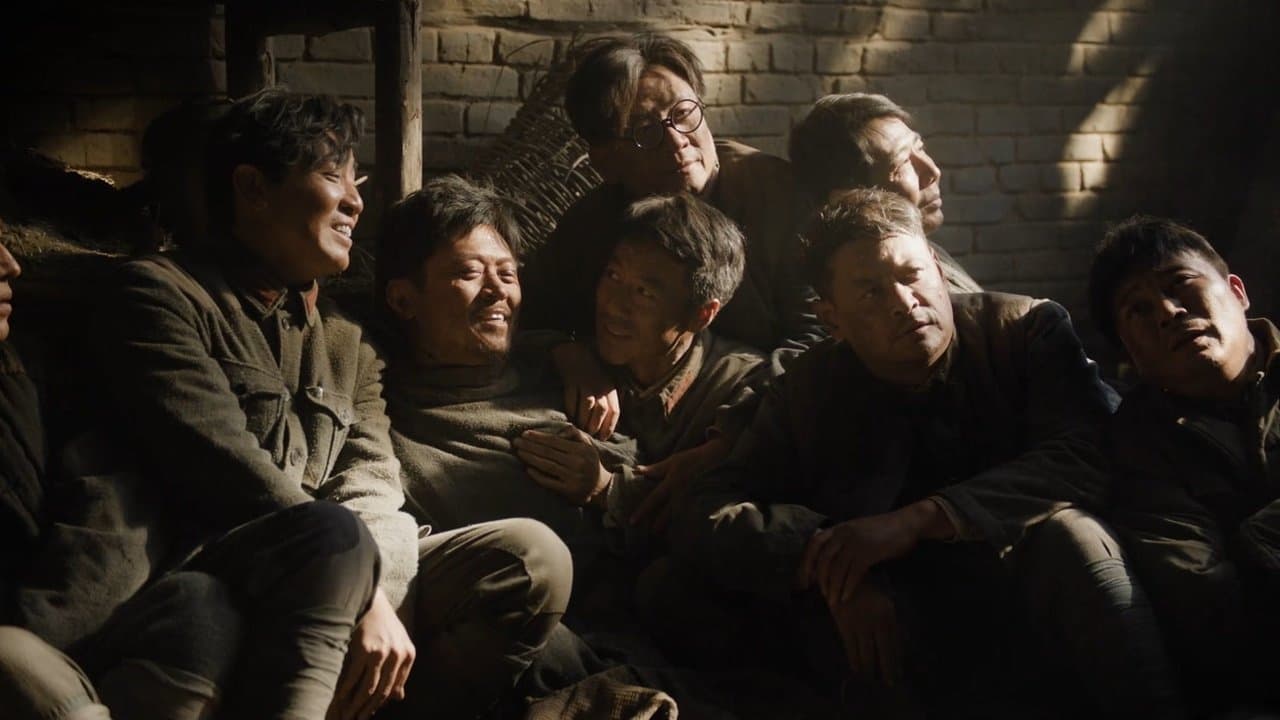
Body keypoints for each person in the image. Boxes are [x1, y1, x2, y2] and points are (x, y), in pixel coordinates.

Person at [94, 89, 570, 720]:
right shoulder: (160, 296)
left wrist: (377, 594)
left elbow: (370, 482)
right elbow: (225, 471)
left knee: (529, 558)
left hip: (349, 565)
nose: (355, 202)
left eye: (357, 182)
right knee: (326, 537)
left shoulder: (347, 341)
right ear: (253, 188)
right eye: (331, 177)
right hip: (227, 561)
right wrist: (359, 592)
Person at [666, 188, 1149, 715]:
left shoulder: (1024, 331)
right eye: (871, 293)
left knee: (1076, 537)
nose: (904, 303)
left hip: (1026, 573)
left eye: (912, 274)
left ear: (938, 270)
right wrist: (828, 560)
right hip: (905, 609)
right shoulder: (806, 389)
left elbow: (1086, 451)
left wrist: (922, 518)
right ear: (831, 318)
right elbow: (709, 505)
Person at [521, 33, 822, 438]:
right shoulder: (593, 222)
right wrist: (569, 354)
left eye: (684, 113)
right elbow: (529, 312)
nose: (678, 141)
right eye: (646, 131)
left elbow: (820, 337)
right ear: (606, 161)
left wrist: (733, 432)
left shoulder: (778, 195)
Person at [0, 237, 242, 720]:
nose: (10, 264)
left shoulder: (30, 370)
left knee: (200, 607)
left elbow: (111, 507)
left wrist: (46, 627)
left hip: (52, 619)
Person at [1088, 216, 1280, 713]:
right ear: (1128, 352)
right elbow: (1205, 603)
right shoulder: (1139, 448)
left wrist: (1255, 540)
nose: (1169, 312)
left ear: (1237, 292)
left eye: (1181, 286)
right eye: (1139, 310)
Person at [789, 92, 981, 294]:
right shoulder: (885, 298)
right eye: (903, 162)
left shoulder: (927, 250)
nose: (933, 172)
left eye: (920, 148)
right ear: (853, 197)